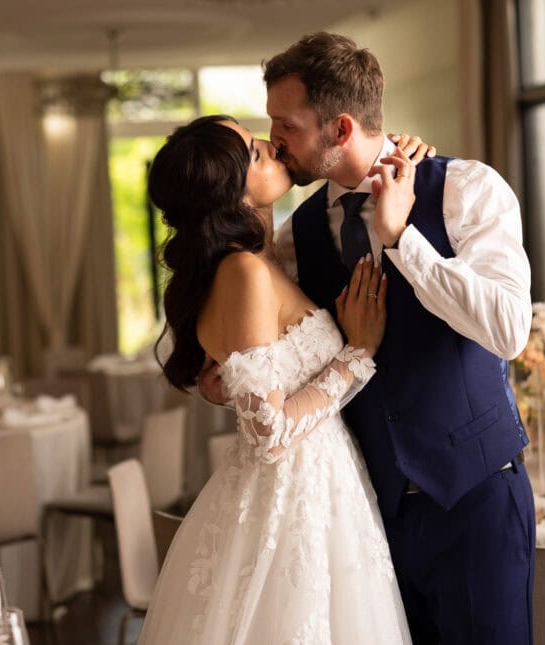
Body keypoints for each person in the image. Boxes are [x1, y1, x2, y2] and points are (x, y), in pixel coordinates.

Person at [259, 32, 535, 644]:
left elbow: (510, 330)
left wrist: (403, 238)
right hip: (365, 519)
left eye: (288, 125)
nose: (275, 140)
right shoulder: (293, 237)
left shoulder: (468, 189)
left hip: (475, 502)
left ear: (341, 128)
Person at [137, 115, 427, 644]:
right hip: (287, 504)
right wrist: (357, 354)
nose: (270, 146)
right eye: (253, 152)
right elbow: (268, 434)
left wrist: (398, 149)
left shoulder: (267, 259)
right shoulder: (242, 272)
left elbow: (245, 378)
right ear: (229, 191)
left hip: (325, 493)